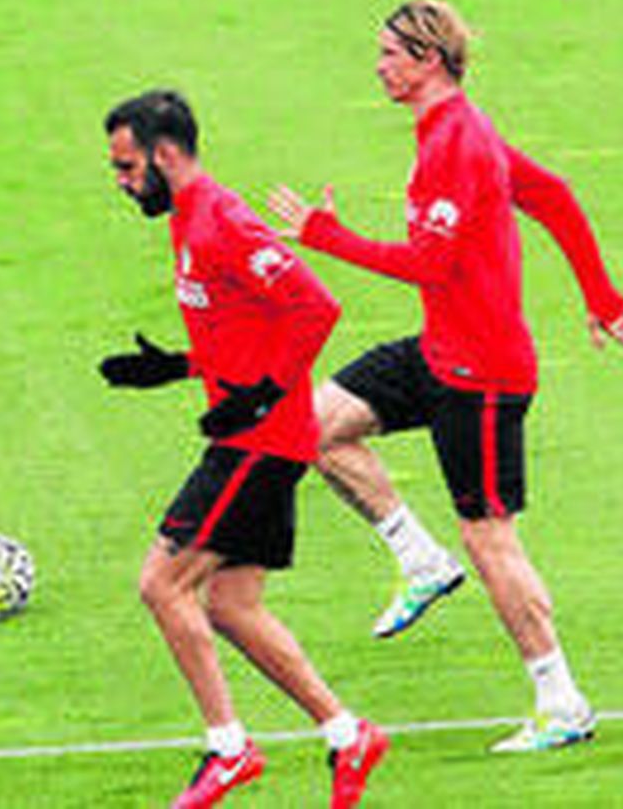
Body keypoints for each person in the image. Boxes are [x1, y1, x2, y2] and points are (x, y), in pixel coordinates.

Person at [266, 0, 623, 752]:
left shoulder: (458, 144)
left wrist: (324, 236)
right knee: (308, 427)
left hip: (483, 373)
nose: (378, 65)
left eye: (388, 54)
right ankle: (417, 556)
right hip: (442, 349)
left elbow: (431, 264)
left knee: (492, 539)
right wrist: (601, 298)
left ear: (427, 61)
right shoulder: (456, 128)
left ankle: (561, 699)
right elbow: (552, 194)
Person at [100, 91, 387, 807]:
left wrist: (264, 391)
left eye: (127, 165)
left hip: (259, 442)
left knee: (162, 584)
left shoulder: (222, 218)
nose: (121, 180)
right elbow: (241, 324)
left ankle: (228, 747)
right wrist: (179, 365)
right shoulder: (186, 219)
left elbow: (315, 305)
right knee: (230, 604)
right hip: (254, 433)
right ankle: (347, 732)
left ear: (165, 155)